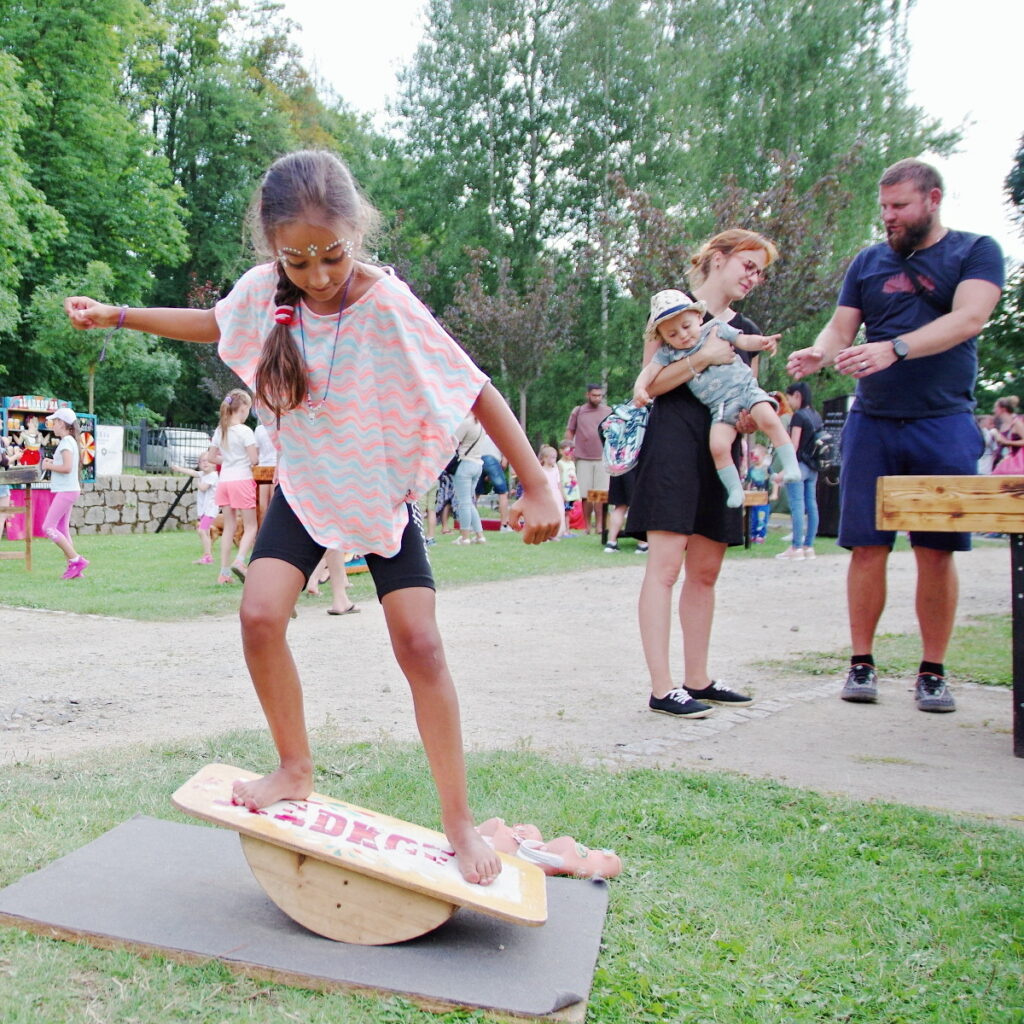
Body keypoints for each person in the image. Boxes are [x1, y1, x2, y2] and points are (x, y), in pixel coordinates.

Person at [64, 148, 561, 885]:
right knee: (259, 616)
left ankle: (458, 820)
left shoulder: (385, 302)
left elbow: (473, 387)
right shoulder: (265, 292)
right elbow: (211, 322)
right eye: (298, 262)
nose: (319, 276)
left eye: (332, 256)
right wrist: (119, 315)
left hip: (379, 493)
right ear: (273, 249)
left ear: (356, 233)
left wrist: (539, 484)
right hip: (305, 488)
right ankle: (294, 766)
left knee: (420, 647)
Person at [787, 158, 1004, 714]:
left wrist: (896, 347)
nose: (888, 217)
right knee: (866, 545)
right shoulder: (868, 260)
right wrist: (823, 352)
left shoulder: (976, 251)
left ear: (932, 200)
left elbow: (970, 318)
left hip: (942, 420)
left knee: (935, 549)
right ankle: (861, 663)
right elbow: (841, 326)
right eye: (883, 207)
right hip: (874, 421)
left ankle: (932, 671)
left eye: (899, 206)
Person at [628, 228, 780, 718]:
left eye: (760, 272)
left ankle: (699, 679)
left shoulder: (747, 327)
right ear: (718, 259)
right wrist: (701, 357)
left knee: (707, 571)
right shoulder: (674, 311)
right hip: (671, 447)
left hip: (718, 453)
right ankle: (662, 687)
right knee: (666, 567)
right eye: (748, 266)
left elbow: (745, 393)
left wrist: (754, 413)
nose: (754, 278)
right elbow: (650, 385)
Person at [634, 289, 799, 509]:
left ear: (698, 317)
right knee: (719, 447)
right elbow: (649, 371)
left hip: (745, 390)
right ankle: (734, 489)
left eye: (686, 326)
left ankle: (790, 464)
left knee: (768, 419)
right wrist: (639, 387)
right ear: (663, 338)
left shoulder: (715, 329)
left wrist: (762, 342)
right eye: (672, 335)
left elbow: (743, 340)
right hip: (720, 406)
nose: (682, 336)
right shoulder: (668, 354)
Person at [208, 389, 259, 584]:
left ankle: (224, 573)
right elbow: (253, 460)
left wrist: (229, 459)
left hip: (225, 482)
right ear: (243, 408)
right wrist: (247, 458)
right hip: (242, 480)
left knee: (229, 526)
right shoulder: (245, 431)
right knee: (251, 526)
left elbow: (212, 457)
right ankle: (240, 560)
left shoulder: (221, 430)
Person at [775, 381, 823, 561]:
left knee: (797, 505)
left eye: (789, 398)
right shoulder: (816, 415)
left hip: (799, 465)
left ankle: (795, 547)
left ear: (797, 396)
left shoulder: (799, 417)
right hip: (813, 467)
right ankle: (808, 545)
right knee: (811, 504)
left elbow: (793, 445)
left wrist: (785, 469)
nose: (788, 402)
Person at [39, 408, 88, 579]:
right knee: (62, 529)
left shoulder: (66, 442)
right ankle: (75, 568)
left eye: (54, 422)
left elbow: (67, 468)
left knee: (48, 527)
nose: (52, 425)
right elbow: (67, 465)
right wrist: (53, 462)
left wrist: (48, 466)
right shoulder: (70, 441)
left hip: (66, 490)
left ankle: (76, 560)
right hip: (69, 489)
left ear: (61, 423)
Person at [565, 384, 611, 535]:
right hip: (583, 457)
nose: (597, 398)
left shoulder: (607, 411)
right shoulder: (579, 411)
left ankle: (599, 525)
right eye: (594, 395)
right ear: (588, 395)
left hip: (602, 458)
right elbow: (570, 431)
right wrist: (569, 450)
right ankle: (587, 527)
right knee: (585, 494)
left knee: (599, 494)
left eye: (599, 395)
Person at [171, 451, 220, 564]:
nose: (204, 463)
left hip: (210, 509)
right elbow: (192, 472)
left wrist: (197, 483)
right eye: (202, 461)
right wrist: (179, 469)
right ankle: (208, 556)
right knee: (205, 532)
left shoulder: (212, 476)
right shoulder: (204, 474)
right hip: (204, 509)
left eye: (208, 461)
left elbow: (203, 487)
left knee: (202, 531)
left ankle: (207, 556)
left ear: (214, 463)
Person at [451, 413, 487, 545]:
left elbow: (453, 440)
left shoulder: (468, 422)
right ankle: (479, 535)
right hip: (477, 464)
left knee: (464, 502)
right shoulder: (482, 424)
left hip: (465, 463)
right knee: (469, 502)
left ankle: (465, 536)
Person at [475, 432, 512, 531]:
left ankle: (471, 524)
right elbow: (504, 464)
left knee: (476, 494)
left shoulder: (484, 437)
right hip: (492, 460)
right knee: (503, 493)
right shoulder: (502, 439)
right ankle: (504, 525)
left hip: (477, 460)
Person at [744, 443, 777, 543]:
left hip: (763, 499)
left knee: (761, 517)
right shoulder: (751, 470)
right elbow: (748, 483)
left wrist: (774, 493)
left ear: (763, 456)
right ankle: (752, 534)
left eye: (756, 455)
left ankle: (761, 535)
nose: (754, 458)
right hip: (753, 499)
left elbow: (775, 480)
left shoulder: (767, 469)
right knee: (752, 518)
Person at [253, 420, 278, 520]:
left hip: (274, 468)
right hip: (264, 468)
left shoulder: (281, 426)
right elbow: (256, 452)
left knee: (272, 506)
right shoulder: (259, 429)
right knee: (263, 507)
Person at [992, 395, 1023, 470]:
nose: (993, 410)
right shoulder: (1001, 424)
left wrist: (1007, 442)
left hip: (1015, 464)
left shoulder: (1016, 423)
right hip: (1001, 463)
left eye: (995, 407)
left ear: (1002, 409)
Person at [557, 439, 581, 537]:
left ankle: (568, 529)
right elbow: (559, 479)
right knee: (565, 512)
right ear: (561, 451)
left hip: (572, 492)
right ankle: (563, 530)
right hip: (565, 492)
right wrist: (562, 493)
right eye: (566, 450)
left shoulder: (572, 463)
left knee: (569, 512)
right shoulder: (560, 464)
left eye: (571, 451)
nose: (569, 453)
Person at [537, 444, 563, 534]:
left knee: (556, 514)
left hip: (555, 495)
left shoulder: (556, 470)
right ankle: (545, 533)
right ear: (544, 458)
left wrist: (561, 496)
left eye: (555, 458)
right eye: (552, 457)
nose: (554, 460)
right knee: (545, 514)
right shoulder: (541, 471)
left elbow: (559, 483)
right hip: (545, 495)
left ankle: (554, 533)